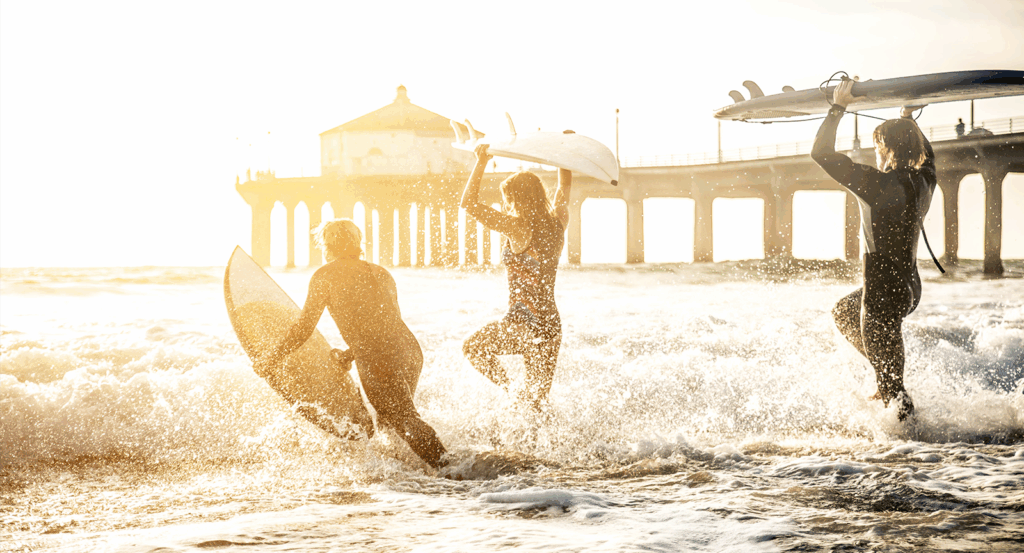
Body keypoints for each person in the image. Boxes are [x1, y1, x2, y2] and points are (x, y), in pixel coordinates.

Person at [258, 219, 447, 467]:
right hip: (408, 349)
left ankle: (454, 470)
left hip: (376, 355)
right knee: (389, 421)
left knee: (403, 418)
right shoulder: (381, 272)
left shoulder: (325, 275)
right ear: (357, 243)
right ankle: (409, 477)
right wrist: (350, 354)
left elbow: (304, 328)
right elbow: (387, 324)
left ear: (328, 245)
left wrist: (271, 358)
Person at [811, 79, 937, 421]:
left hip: (881, 293)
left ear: (889, 150)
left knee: (895, 396)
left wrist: (838, 108)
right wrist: (908, 117)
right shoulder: (926, 180)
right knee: (843, 310)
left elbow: (820, 153)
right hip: (909, 289)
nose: (876, 152)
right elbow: (929, 155)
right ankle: (887, 376)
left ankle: (912, 450)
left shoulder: (876, 184)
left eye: (879, 146)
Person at [461, 144, 572, 410]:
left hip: (521, 323)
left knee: (473, 348)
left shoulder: (517, 226)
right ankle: (554, 449)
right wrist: (564, 155)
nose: (506, 205)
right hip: (550, 323)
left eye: (508, 199)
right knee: (539, 402)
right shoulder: (559, 220)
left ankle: (511, 390)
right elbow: (563, 188)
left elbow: (468, 204)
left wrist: (481, 161)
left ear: (515, 199)